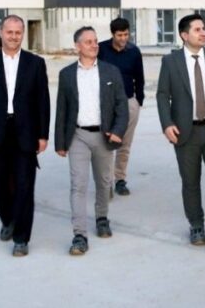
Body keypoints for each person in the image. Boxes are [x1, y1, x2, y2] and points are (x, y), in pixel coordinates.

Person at [0, 15, 50, 257]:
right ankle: (8, 219)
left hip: (25, 133)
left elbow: (43, 101)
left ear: (22, 34)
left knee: (25, 186)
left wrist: (43, 135)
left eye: (18, 32)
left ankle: (21, 239)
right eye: (9, 32)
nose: (14, 36)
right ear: (1, 33)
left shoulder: (35, 63)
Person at [157, 13, 205, 248]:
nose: (203, 33)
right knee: (190, 181)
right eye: (197, 29)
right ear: (184, 35)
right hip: (185, 132)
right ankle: (196, 225)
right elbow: (162, 95)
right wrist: (167, 123)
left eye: (204, 29)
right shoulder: (170, 62)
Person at [54, 26, 129, 256]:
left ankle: (102, 218)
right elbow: (62, 109)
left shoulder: (111, 72)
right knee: (78, 185)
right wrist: (60, 142)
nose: (94, 45)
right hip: (77, 136)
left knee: (104, 182)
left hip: (104, 135)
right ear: (77, 46)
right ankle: (79, 235)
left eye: (95, 41)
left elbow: (122, 105)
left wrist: (117, 130)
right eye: (88, 42)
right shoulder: (66, 74)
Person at [97, 17, 145, 197]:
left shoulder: (134, 52)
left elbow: (139, 78)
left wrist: (138, 100)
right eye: (120, 35)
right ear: (112, 34)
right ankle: (106, 183)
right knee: (107, 143)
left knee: (125, 143)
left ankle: (120, 180)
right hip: (107, 104)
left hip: (129, 102)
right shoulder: (101, 50)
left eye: (126, 34)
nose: (123, 38)